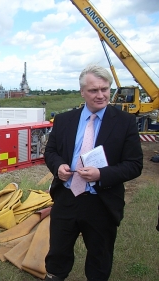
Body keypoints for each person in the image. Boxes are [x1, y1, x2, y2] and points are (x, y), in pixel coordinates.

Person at [44, 64, 143, 281]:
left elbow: (135, 164)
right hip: (67, 198)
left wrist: (101, 174)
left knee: (100, 258)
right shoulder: (64, 120)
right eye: (93, 90)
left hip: (102, 202)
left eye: (105, 89)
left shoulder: (125, 123)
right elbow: (50, 152)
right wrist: (58, 166)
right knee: (58, 254)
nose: (101, 95)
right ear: (82, 92)